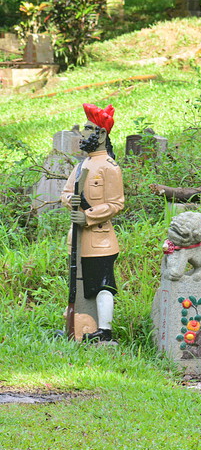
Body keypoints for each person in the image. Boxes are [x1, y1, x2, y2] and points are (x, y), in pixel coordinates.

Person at [60, 104, 124, 343]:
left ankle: (104, 331)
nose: (84, 133)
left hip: (100, 240)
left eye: (89, 129)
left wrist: (88, 216)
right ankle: (78, 328)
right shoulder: (81, 166)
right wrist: (70, 200)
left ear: (102, 135)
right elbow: (65, 192)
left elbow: (116, 203)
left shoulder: (110, 167)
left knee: (102, 285)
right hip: (77, 239)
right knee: (77, 285)